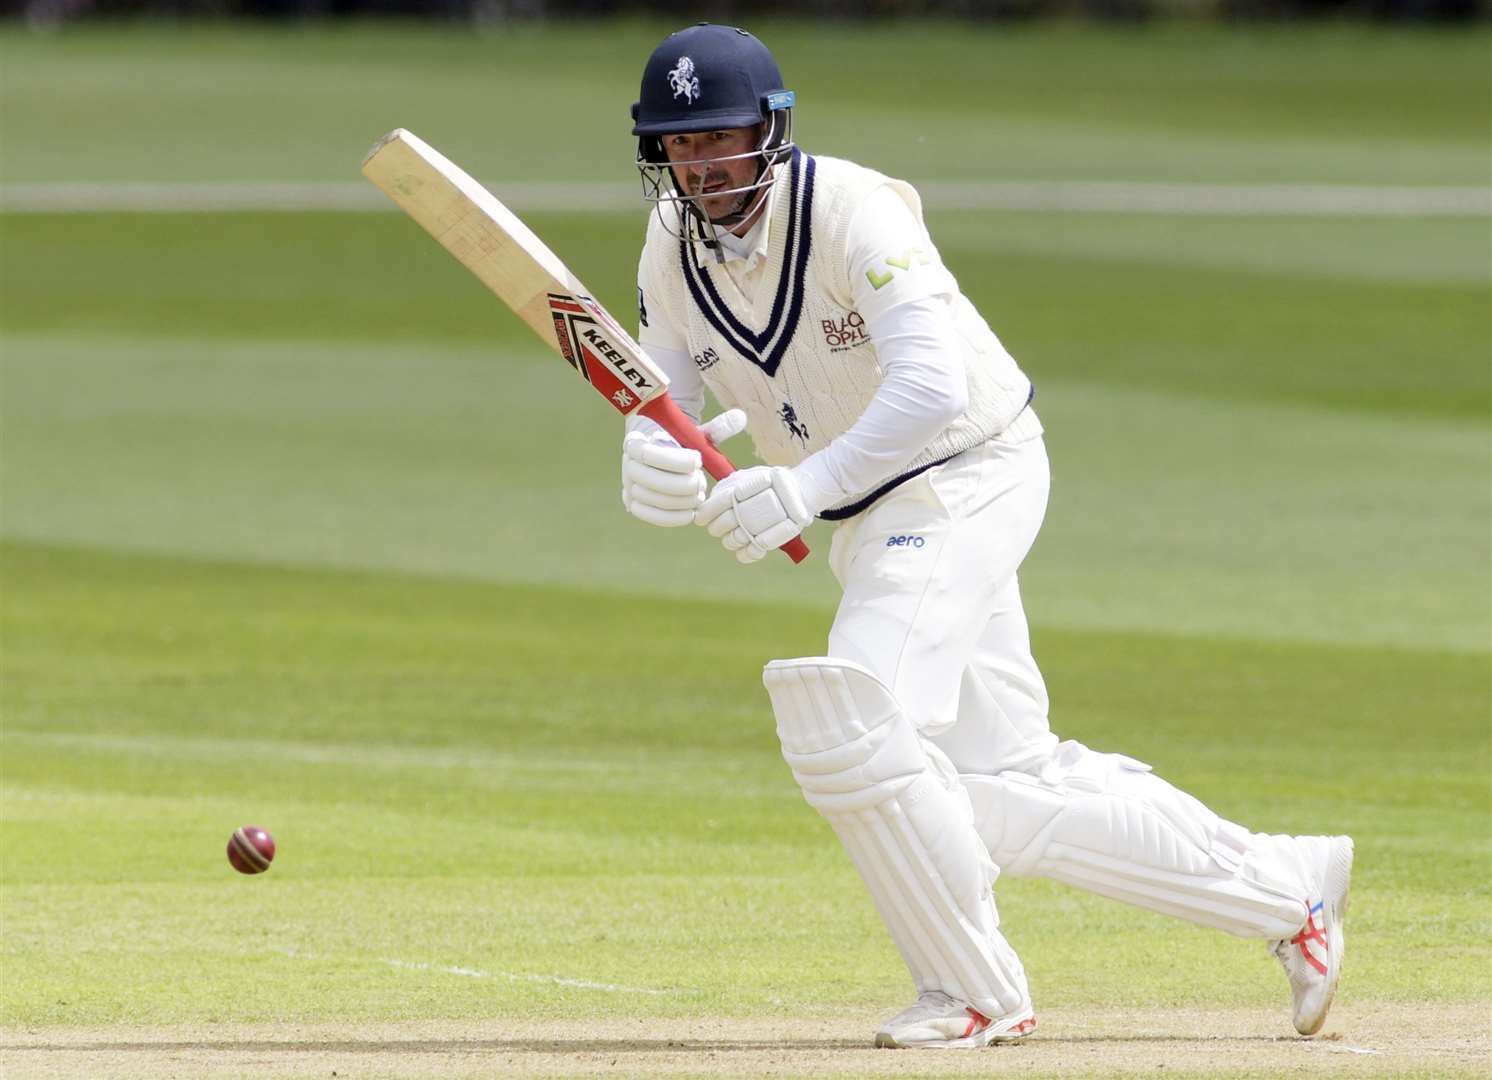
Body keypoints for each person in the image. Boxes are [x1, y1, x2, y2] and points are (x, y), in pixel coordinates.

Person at [620, 23, 1352, 1050]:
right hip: (875, 515)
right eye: (679, 145)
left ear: (771, 130)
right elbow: (668, 402)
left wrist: (800, 489)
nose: (700, 164)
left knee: (852, 715)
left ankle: (971, 991)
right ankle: (1289, 893)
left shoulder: (852, 211)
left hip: (971, 471)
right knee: (1005, 788)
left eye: (720, 138)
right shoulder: (668, 246)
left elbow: (933, 386)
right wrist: (652, 468)